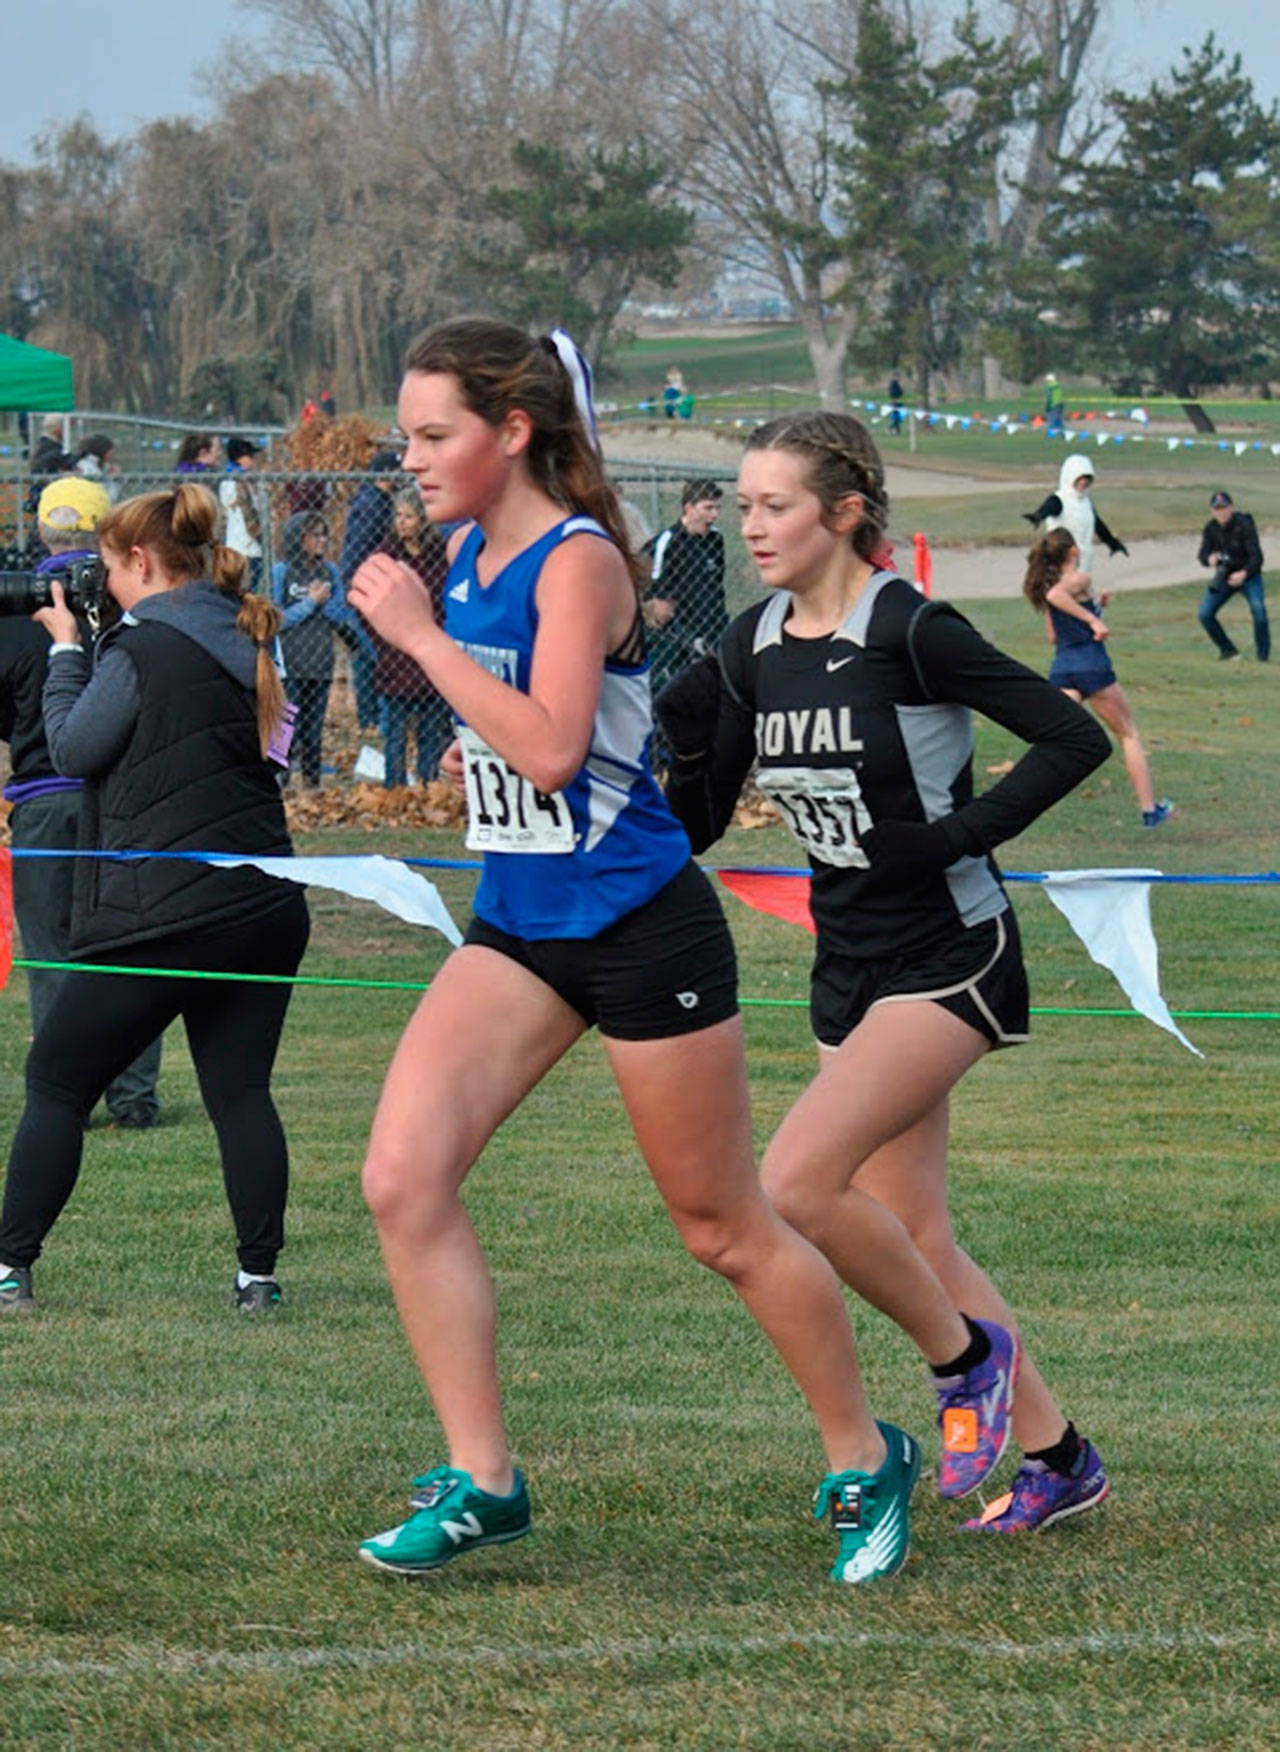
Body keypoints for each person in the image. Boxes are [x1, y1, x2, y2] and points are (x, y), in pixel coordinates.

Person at [347, 317, 1020, 1587]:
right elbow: (530, 753)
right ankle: (484, 1480)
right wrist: (448, 683)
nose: (412, 458)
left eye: (434, 435)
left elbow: (553, 749)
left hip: (639, 927)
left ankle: (861, 1452)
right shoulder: (467, 555)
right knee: (402, 1179)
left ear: (512, 431)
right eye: (407, 436)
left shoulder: (578, 560)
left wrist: (424, 642)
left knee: (721, 1227)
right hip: (521, 923)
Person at [658, 410, 1114, 1535]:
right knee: (916, 1233)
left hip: (950, 952)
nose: (751, 526)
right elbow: (696, 827)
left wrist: (953, 837)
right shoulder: (751, 644)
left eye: (775, 506)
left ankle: (966, 1363)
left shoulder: (911, 628)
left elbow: (1073, 740)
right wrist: (684, 746)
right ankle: (1059, 1458)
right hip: (847, 963)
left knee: (796, 1184)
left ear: (844, 510)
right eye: (745, 505)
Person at [0, 483, 309, 1315]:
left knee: (56, 1079)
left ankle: (10, 1269)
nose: (100, 582)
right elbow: (276, 751)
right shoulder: (247, 633)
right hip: (263, 905)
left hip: (167, 909)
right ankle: (258, 1279)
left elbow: (73, 747)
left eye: (107, 566)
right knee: (239, 1090)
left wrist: (68, 653)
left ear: (140, 561)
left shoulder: (143, 649)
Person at [0, 476, 164, 1130]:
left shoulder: (16, 616)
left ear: (42, 532)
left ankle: (65, 1097)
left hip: (42, 804)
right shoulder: (128, 609)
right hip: (122, 802)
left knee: (51, 958)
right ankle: (134, 1095)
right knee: (129, 948)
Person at [1025, 528, 1173, 829]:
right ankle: (1150, 811)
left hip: (1063, 670)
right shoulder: (1080, 578)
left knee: (1054, 741)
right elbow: (1057, 596)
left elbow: (1054, 635)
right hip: (1092, 667)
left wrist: (1096, 607)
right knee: (1128, 735)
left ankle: (1024, 804)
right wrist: (1092, 619)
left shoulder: (1053, 587)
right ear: (1073, 552)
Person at [271, 510, 372, 788]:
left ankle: (312, 782)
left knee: (314, 727)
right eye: (314, 535)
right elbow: (276, 619)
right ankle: (279, 780)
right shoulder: (282, 572)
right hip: (290, 663)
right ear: (298, 538)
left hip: (320, 662)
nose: (322, 540)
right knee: (286, 724)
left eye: (324, 535)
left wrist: (323, 603)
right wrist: (309, 603)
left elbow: (340, 615)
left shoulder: (330, 572)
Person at [368, 488, 452, 786]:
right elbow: (368, 600)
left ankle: (427, 784)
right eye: (398, 516)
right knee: (396, 732)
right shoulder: (386, 555)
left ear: (423, 520)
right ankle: (394, 787)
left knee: (431, 730)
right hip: (396, 655)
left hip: (431, 652)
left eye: (408, 516)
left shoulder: (439, 556)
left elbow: (446, 601)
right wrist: (384, 638)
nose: (401, 522)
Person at [641, 479, 728, 704]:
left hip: (712, 629)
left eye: (717, 508)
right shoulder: (668, 542)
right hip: (677, 638)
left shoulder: (715, 540)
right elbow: (656, 600)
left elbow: (716, 585)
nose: (714, 515)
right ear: (689, 508)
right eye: (708, 508)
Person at [340, 449, 404, 731]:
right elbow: (360, 549)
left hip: (362, 585)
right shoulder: (373, 505)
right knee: (373, 655)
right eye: (397, 471)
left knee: (366, 656)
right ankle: (375, 717)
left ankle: (370, 716)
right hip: (364, 587)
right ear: (386, 473)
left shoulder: (376, 500)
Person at [1195, 489, 1269, 663]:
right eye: (1217, 509)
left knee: (1259, 610)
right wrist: (1209, 559)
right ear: (1212, 510)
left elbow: (1257, 558)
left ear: (1232, 507)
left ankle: (1263, 657)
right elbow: (1202, 555)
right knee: (1205, 613)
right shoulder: (1211, 528)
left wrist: (1243, 573)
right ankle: (1228, 651)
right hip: (1224, 577)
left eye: (1224, 507)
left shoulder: (1244, 525)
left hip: (1248, 576)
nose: (1221, 512)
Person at [1023, 455, 1128, 573]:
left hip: (1083, 562)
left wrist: (1113, 544)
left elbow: (1099, 526)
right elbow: (1047, 509)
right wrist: (1037, 517)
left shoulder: (1086, 503)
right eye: (1080, 478)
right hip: (1061, 562)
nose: (1084, 482)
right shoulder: (1059, 499)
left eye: (1087, 478)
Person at [219, 438, 265, 590]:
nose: (253, 460)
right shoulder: (238, 482)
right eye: (250, 456)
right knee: (247, 589)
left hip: (234, 545)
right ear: (240, 458)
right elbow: (248, 514)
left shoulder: (226, 481)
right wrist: (259, 537)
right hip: (248, 547)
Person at [74, 433, 120, 502]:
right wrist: (115, 479)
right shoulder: (90, 469)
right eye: (109, 453)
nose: (111, 457)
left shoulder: (93, 465)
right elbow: (107, 498)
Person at [1044, 374, 1065, 439]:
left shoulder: (1050, 387)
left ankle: (1050, 435)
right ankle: (1063, 434)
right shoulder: (1058, 386)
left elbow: (1049, 398)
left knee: (1051, 420)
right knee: (1059, 421)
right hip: (1060, 405)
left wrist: (1047, 407)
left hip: (1053, 406)